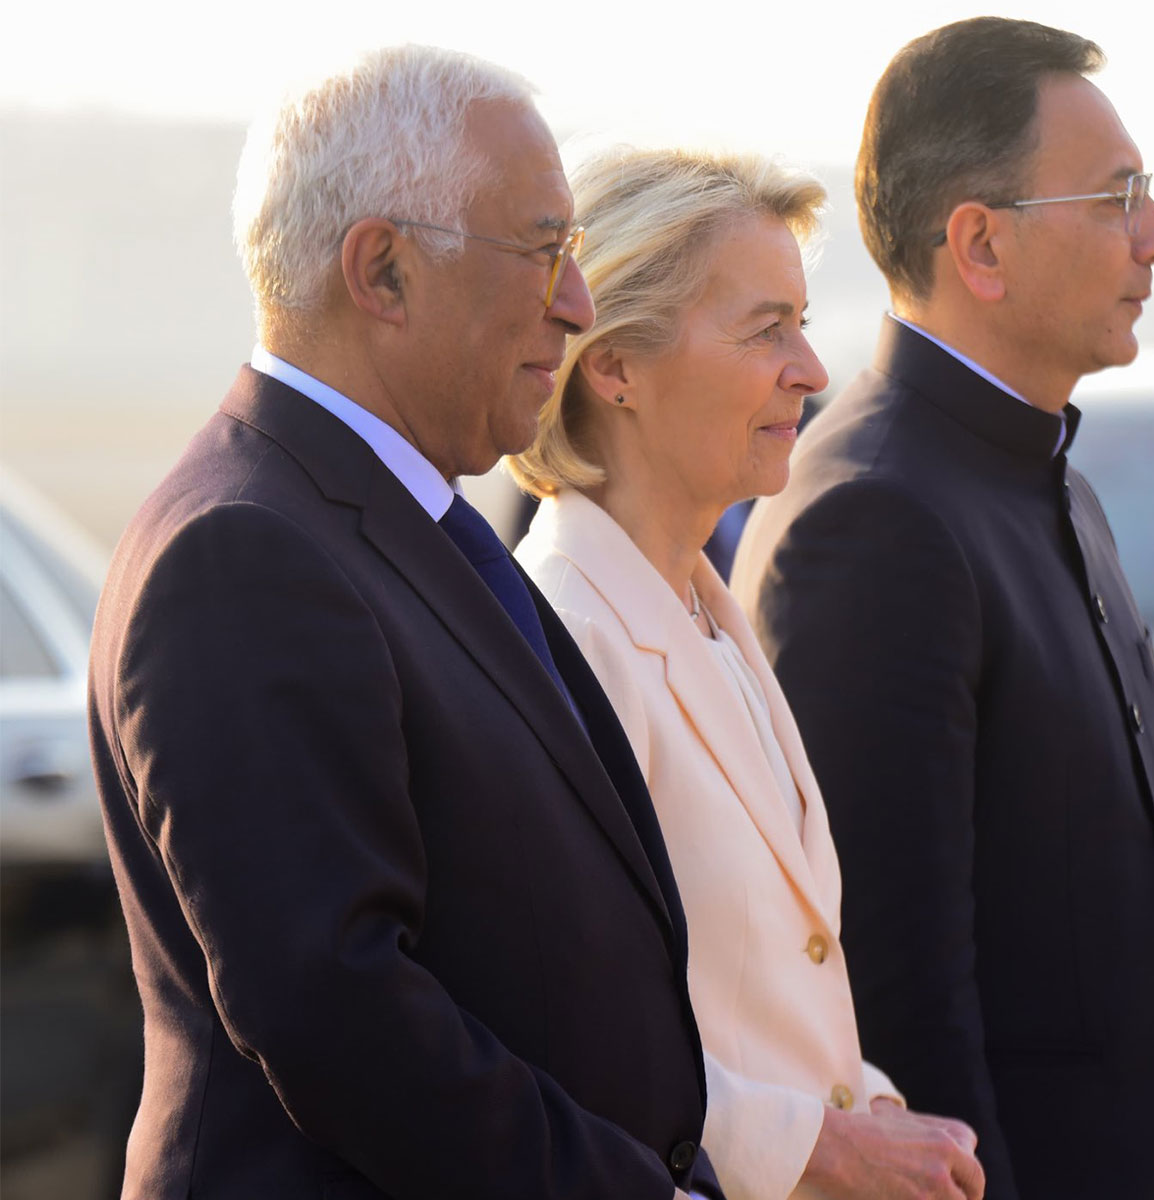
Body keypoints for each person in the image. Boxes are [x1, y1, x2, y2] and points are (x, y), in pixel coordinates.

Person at [87, 46, 721, 1199]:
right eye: (544, 251)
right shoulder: (244, 552)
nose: (576, 304)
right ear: (381, 270)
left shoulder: (391, 518)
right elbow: (336, 1013)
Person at [730, 18, 1154, 1200]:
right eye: (1118, 200)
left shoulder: (1044, 477)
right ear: (980, 245)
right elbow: (895, 1007)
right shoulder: (875, 520)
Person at [509, 147, 985, 1200]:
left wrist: (879, 1114)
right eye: (767, 329)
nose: (812, 370)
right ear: (615, 367)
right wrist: (825, 1148)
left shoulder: (709, 612)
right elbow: (560, 1033)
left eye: (803, 325)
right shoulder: (564, 636)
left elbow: (775, 990)